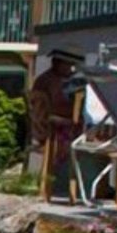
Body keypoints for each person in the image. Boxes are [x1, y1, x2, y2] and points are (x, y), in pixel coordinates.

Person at [26, 48, 83, 195]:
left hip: (40, 129)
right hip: (50, 130)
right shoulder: (51, 81)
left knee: (83, 128)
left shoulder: (43, 79)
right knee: (88, 132)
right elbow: (58, 107)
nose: (72, 69)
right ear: (59, 63)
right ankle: (76, 186)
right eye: (69, 64)